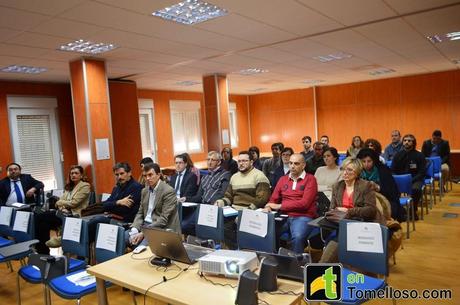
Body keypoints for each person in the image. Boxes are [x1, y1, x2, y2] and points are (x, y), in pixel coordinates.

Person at [319, 158, 384, 263]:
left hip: (361, 225)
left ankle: (320, 268)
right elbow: (332, 208)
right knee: (336, 242)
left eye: (349, 170)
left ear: (357, 172)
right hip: (342, 224)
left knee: (336, 244)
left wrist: (348, 211)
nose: (345, 173)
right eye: (343, 169)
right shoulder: (337, 186)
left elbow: (371, 210)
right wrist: (336, 212)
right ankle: (323, 269)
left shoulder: (365, 186)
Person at [215, 151, 271, 248]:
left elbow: (261, 200)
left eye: (244, 161)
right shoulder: (234, 177)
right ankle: (235, 249)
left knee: (229, 228)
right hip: (233, 212)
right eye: (239, 161)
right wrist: (220, 202)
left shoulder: (259, 176)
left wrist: (245, 213)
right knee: (218, 224)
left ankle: (242, 250)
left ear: (251, 162)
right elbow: (228, 196)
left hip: (251, 212)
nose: (241, 163)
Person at [264, 153, 318, 253]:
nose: (292, 166)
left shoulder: (310, 179)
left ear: (303, 165)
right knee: (267, 232)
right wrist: (268, 207)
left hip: (303, 216)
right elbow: (273, 199)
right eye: (290, 163)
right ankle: (275, 259)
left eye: (296, 164)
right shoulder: (283, 179)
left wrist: (280, 206)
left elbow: (304, 204)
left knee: (297, 237)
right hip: (284, 215)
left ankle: (296, 264)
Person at [35, 165, 90, 254]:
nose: (73, 175)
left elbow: (74, 203)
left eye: (76, 173)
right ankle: (42, 249)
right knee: (41, 221)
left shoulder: (85, 186)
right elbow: (61, 201)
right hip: (63, 212)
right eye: (72, 173)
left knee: (42, 217)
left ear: (81, 175)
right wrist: (62, 206)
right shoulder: (68, 187)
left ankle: (42, 248)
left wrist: (61, 203)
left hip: (75, 214)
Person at [87, 162, 143, 243]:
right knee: (90, 221)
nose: (119, 177)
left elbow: (124, 209)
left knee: (97, 221)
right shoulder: (117, 187)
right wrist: (118, 202)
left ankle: (80, 248)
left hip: (125, 222)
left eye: (122, 173)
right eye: (117, 175)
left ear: (129, 173)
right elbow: (105, 205)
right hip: (114, 217)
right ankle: (85, 250)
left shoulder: (137, 188)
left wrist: (112, 206)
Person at [127, 163, 180, 247]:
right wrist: (135, 229)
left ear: (158, 175)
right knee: (123, 238)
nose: (147, 178)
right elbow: (140, 213)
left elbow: (163, 220)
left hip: (160, 228)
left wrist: (143, 233)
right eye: (145, 176)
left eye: (150, 175)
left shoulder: (168, 191)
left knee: (140, 247)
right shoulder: (144, 191)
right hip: (144, 225)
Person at [184, 151, 231, 234]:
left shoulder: (225, 174)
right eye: (208, 159)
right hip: (202, 207)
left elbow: (222, 194)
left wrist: (210, 205)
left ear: (219, 162)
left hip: (214, 208)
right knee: (184, 225)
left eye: (213, 160)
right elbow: (198, 196)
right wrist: (185, 199)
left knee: (202, 229)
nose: (209, 162)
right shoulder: (205, 177)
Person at [357, 148, 404, 222]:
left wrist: (378, 187)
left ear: (374, 161)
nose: (366, 164)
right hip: (363, 200)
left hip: (385, 199)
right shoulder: (358, 171)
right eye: (363, 161)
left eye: (369, 161)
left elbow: (392, 192)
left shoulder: (383, 170)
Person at [391, 134, 426, 220]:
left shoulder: (419, 155)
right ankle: (398, 211)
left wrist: (410, 180)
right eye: (405, 140)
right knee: (388, 188)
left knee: (416, 189)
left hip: (415, 180)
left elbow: (422, 172)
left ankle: (412, 211)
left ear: (413, 143)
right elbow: (392, 170)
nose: (406, 142)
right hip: (399, 180)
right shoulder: (398, 155)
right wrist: (398, 179)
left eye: (409, 141)